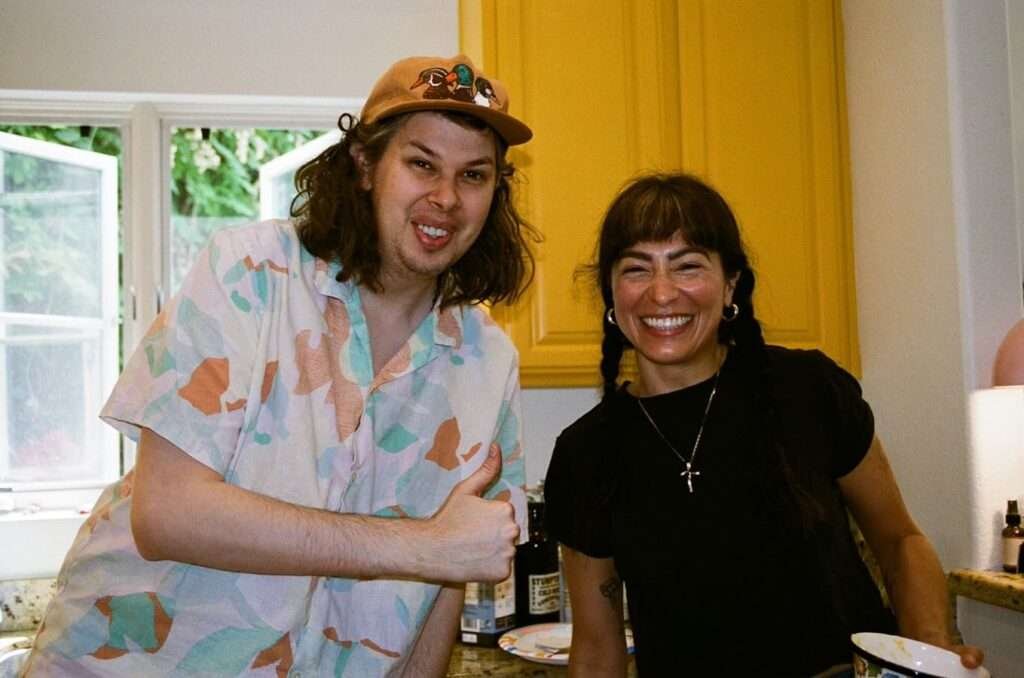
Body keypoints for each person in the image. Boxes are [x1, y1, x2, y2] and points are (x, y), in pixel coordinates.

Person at [25, 54, 537, 677]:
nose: (446, 198)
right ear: (365, 164)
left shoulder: (489, 362)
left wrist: (441, 554)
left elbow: (448, 578)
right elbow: (167, 514)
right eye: (421, 164)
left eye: (474, 175)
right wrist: (423, 545)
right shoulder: (250, 272)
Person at [543, 173, 985, 676]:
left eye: (687, 265)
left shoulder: (808, 390)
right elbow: (596, 649)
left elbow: (899, 541)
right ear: (610, 290)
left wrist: (932, 647)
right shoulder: (586, 453)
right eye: (637, 269)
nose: (661, 293)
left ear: (730, 283)